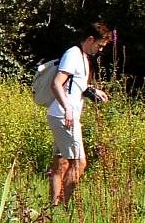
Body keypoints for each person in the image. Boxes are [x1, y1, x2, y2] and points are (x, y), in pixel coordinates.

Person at [47, 20, 113, 206]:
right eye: (99, 45)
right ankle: (66, 207)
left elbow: (74, 85)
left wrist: (93, 90)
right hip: (64, 116)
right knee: (79, 163)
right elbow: (56, 83)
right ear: (91, 39)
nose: (100, 50)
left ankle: (54, 206)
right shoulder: (73, 55)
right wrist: (68, 108)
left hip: (62, 115)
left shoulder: (82, 57)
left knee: (61, 161)